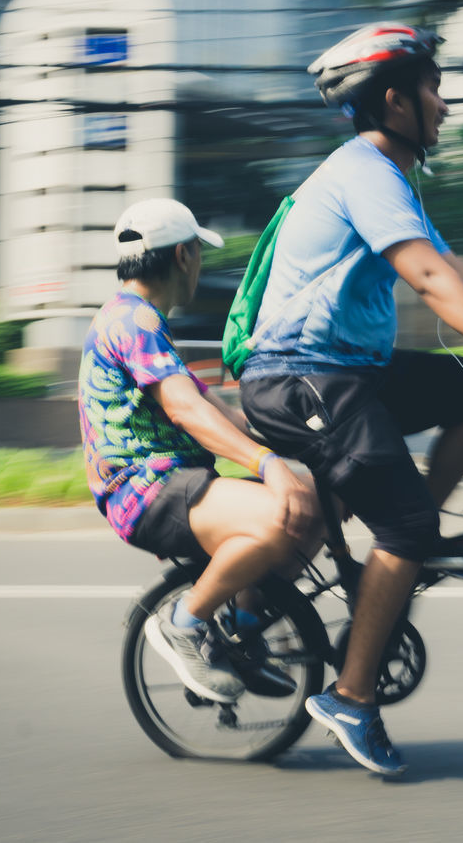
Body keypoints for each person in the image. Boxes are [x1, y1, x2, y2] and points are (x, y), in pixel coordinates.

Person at [235, 22, 463, 776]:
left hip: (349, 372)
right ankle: (352, 697)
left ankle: (400, 545)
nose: (444, 103)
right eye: (432, 88)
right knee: (405, 520)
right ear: (395, 102)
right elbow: (426, 278)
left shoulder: (389, 176)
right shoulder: (363, 171)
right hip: (299, 376)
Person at [78, 198, 320, 704]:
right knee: (282, 513)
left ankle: (244, 634)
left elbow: (215, 409)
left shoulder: (142, 321)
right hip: (146, 490)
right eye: (200, 255)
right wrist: (268, 465)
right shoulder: (133, 323)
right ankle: (184, 623)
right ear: (185, 255)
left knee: (317, 500)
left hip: (176, 484)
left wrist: (294, 444)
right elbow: (187, 409)